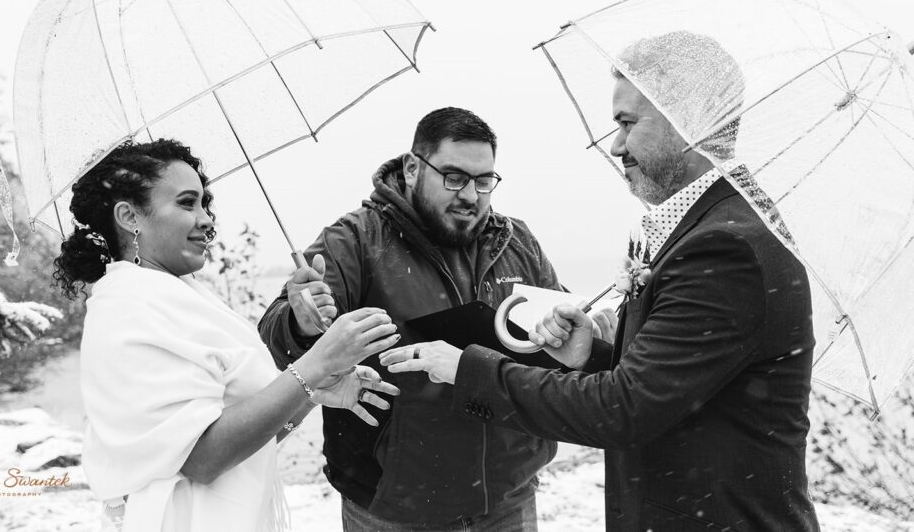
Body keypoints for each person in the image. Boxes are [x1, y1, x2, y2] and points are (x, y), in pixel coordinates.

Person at [382, 32, 821, 531]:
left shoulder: (725, 248)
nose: (615, 146)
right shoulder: (715, 226)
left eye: (627, 123)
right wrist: (590, 355)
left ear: (689, 122)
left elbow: (624, 410)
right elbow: (675, 385)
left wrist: (467, 370)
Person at [53, 139, 400, 532]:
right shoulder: (131, 308)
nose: (206, 219)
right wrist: (315, 364)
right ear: (130, 216)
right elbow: (203, 458)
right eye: (187, 203)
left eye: (204, 203)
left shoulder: (179, 295)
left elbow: (242, 443)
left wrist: (311, 391)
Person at [257, 107, 564, 530]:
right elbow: (276, 339)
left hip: (508, 497)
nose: (471, 195)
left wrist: (575, 328)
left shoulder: (517, 241)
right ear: (412, 168)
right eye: (454, 178)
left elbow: (558, 336)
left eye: (483, 180)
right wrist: (302, 321)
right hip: (392, 504)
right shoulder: (355, 239)